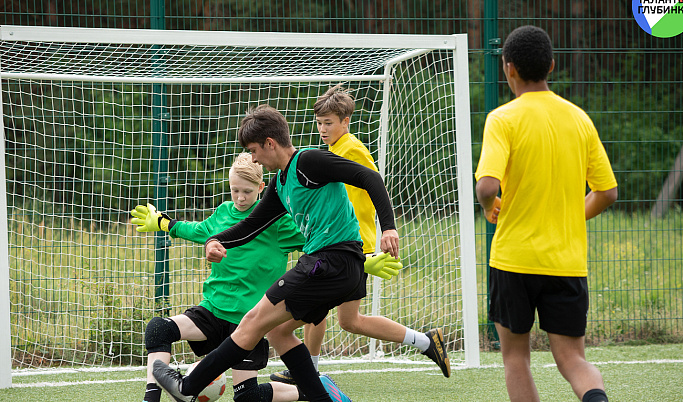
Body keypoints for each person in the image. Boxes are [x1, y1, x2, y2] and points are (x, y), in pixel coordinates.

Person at [153, 105, 450, 402]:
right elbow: (251, 226)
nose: (253, 158)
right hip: (337, 267)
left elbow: (369, 178)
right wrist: (216, 241)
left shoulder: (309, 161)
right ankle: (321, 396)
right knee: (280, 332)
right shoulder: (281, 183)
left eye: (255, 150)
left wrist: (388, 227)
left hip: (329, 262)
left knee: (253, 322)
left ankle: (187, 388)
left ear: (270, 143)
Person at [474, 25, 618, 402]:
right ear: (551, 66)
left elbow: (487, 186)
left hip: (514, 260)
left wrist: (491, 208)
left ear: (508, 69)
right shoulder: (579, 119)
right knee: (573, 359)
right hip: (566, 263)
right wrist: (570, 217)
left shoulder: (503, 119)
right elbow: (607, 192)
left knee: (516, 359)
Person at [132, 153, 347, 402]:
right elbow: (200, 231)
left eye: (247, 191)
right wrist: (165, 224)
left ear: (261, 188)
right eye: (235, 190)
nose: (240, 197)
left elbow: (318, 241)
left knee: (248, 397)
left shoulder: (277, 221)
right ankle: (151, 399)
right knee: (158, 329)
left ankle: (312, 389)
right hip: (213, 312)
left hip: (250, 323)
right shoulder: (223, 212)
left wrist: (360, 260)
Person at [270, 84, 406, 385]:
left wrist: (383, 228)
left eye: (328, 122)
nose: (322, 128)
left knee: (316, 306)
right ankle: (424, 342)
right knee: (349, 320)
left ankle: (307, 371)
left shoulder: (353, 148)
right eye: (319, 123)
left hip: (351, 243)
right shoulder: (329, 152)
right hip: (336, 242)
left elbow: (373, 182)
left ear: (346, 122)